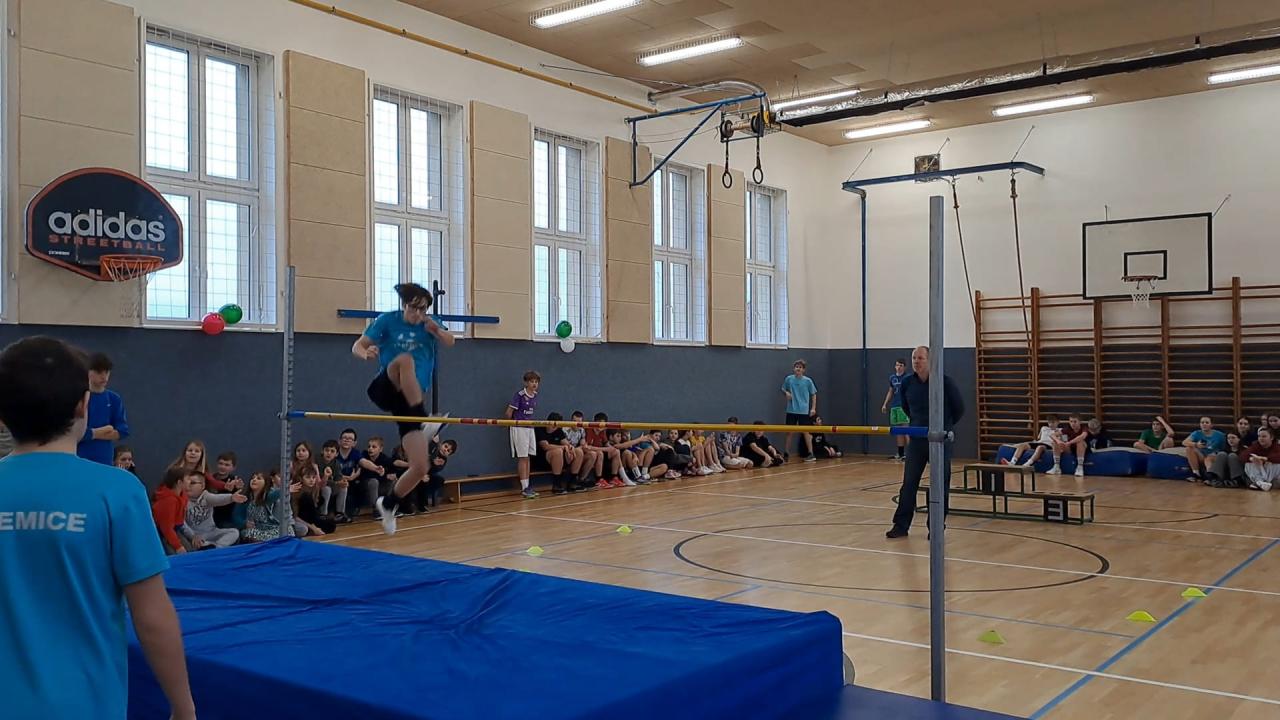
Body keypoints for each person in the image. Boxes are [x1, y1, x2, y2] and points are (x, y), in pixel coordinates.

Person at [0, 336, 194, 719]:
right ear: (84, 405)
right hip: (83, 703)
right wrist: (183, 706)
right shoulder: (117, 491)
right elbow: (152, 615)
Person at [353, 282, 455, 535]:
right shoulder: (387, 320)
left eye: (422, 310)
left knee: (420, 467)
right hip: (386, 387)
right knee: (405, 360)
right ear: (404, 305)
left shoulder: (431, 324)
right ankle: (423, 419)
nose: (417, 314)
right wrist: (365, 353)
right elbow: (358, 345)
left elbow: (450, 341)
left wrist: (436, 330)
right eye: (413, 308)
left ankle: (389, 504)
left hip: (408, 402)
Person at [887, 345, 965, 539]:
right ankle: (901, 525)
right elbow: (906, 407)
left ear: (930, 360)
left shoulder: (944, 382)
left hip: (939, 441)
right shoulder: (907, 383)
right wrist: (917, 425)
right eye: (914, 358)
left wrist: (943, 427)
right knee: (909, 483)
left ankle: (936, 527)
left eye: (920, 358)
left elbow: (959, 409)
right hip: (917, 441)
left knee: (939, 484)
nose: (916, 362)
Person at [76, 352, 130, 466]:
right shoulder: (78, 397)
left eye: (107, 372)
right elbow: (74, 433)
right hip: (80, 456)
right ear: (88, 372)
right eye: (99, 372)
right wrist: (97, 433)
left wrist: (92, 434)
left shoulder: (114, 399)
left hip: (104, 458)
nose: (104, 377)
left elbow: (122, 431)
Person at [506, 371, 542, 499]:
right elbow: (508, 412)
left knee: (528, 457)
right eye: (532, 381)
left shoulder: (535, 395)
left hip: (529, 428)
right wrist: (512, 425)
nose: (534, 384)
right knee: (522, 457)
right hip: (519, 428)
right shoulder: (519, 395)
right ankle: (524, 488)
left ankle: (527, 486)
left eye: (536, 382)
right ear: (526, 382)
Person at [184, 473, 245, 549]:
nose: (188, 486)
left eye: (192, 483)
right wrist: (192, 536)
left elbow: (217, 498)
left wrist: (231, 498)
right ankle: (207, 546)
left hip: (211, 531)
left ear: (202, 486)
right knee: (191, 543)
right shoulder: (181, 500)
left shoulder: (206, 496)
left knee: (234, 532)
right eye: (186, 483)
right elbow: (182, 523)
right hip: (195, 536)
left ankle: (215, 547)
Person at [781, 359, 818, 462]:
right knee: (789, 432)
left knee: (806, 432)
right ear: (794, 368)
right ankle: (786, 453)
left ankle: (811, 453)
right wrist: (786, 393)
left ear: (803, 370)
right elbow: (783, 388)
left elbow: (813, 394)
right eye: (797, 367)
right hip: (791, 410)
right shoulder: (789, 379)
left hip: (803, 410)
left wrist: (813, 408)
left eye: (800, 367)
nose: (798, 369)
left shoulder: (808, 381)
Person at [881, 358, 909, 461]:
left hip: (904, 406)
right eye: (897, 365)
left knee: (906, 430)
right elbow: (890, 391)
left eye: (901, 365)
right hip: (895, 406)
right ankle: (900, 453)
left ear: (904, 367)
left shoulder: (907, 378)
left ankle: (911, 453)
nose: (899, 367)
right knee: (898, 431)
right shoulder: (892, 378)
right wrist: (885, 404)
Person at [1183, 416, 1226, 483]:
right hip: (1202, 456)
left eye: (1207, 422)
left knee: (1209, 458)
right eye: (1202, 422)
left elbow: (1224, 447)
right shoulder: (1197, 433)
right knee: (1189, 448)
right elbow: (1184, 442)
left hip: (1214, 456)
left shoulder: (1220, 435)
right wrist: (1196, 444)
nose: (1204, 424)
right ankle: (1196, 473)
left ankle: (1210, 476)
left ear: (1211, 425)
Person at [1243, 427, 1280, 491]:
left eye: (1264, 436)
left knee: (1274, 463)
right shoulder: (1256, 445)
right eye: (1259, 436)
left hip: (1272, 477)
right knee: (1248, 463)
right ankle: (1260, 482)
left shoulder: (1276, 446)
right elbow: (1243, 455)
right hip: (1260, 471)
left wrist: (1265, 459)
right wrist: (1251, 458)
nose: (1261, 438)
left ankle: (1262, 483)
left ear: (1271, 438)